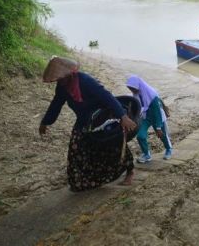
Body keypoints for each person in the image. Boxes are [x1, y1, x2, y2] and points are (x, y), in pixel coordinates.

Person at [39, 57, 137, 191]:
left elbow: (106, 96)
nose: (60, 82)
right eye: (58, 80)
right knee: (76, 148)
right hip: (83, 120)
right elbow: (56, 104)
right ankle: (83, 181)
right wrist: (46, 121)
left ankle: (130, 170)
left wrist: (123, 116)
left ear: (69, 74)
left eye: (61, 78)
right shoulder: (62, 88)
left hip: (102, 116)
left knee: (113, 144)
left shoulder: (85, 81)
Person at [126, 75, 173, 163]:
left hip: (157, 117)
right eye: (129, 88)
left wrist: (158, 128)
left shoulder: (151, 95)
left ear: (137, 86)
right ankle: (147, 155)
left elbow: (157, 113)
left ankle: (168, 149)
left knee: (162, 135)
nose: (131, 90)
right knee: (141, 136)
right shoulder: (136, 94)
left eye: (132, 88)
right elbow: (137, 107)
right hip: (146, 117)